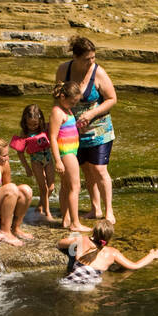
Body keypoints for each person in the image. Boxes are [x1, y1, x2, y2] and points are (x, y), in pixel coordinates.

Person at [55, 36, 117, 223]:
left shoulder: (98, 73)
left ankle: (109, 212)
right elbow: (58, 96)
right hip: (72, 132)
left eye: (93, 57)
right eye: (87, 58)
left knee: (99, 169)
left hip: (99, 129)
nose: (91, 61)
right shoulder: (63, 70)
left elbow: (112, 99)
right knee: (86, 169)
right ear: (75, 56)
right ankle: (95, 208)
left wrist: (91, 114)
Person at [57, 220, 158, 286]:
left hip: (69, 281)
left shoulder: (82, 240)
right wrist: (152, 255)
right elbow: (134, 266)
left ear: (94, 232)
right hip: (89, 284)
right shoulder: (112, 253)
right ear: (109, 237)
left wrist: (74, 241)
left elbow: (60, 243)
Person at [49, 81, 91, 234]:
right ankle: (75, 222)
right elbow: (52, 137)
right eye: (72, 101)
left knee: (66, 187)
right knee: (75, 187)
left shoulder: (67, 110)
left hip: (71, 151)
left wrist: (79, 127)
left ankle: (66, 218)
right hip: (66, 152)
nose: (74, 104)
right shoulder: (57, 112)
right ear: (62, 96)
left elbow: (66, 129)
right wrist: (58, 160)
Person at [11, 104, 55, 222]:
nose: (32, 127)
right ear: (25, 122)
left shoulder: (46, 128)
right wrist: (27, 168)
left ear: (40, 120)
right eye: (29, 124)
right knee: (43, 188)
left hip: (49, 159)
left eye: (35, 124)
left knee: (51, 187)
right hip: (36, 161)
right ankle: (47, 212)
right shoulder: (24, 133)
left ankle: (40, 206)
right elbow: (20, 153)